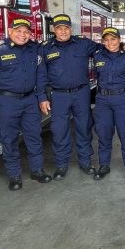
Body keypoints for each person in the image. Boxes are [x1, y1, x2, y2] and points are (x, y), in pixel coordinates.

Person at [0, 17, 51, 190]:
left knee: (34, 136)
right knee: (9, 139)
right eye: (18, 31)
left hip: (30, 100)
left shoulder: (35, 49)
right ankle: (14, 176)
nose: (22, 35)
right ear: (10, 31)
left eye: (26, 32)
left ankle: (37, 170)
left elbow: (40, 76)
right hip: (6, 101)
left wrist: (41, 98)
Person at [37, 14, 99, 179]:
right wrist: (42, 97)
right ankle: (61, 165)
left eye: (66, 28)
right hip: (58, 96)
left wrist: (122, 45)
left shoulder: (84, 44)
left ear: (71, 29)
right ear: (53, 30)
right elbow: (41, 75)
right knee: (59, 131)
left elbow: (105, 49)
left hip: (81, 93)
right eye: (59, 28)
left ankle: (85, 162)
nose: (63, 31)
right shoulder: (45, 48)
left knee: (84, 128)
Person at [92, 26, 125, 181]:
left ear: (119, 40)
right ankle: (104, 165)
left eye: (113, 39)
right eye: (106, 40)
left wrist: (122, 89)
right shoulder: (98, 56)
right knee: (104, 134)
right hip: (102, 100)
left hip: (122, 99)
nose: (110, 42)